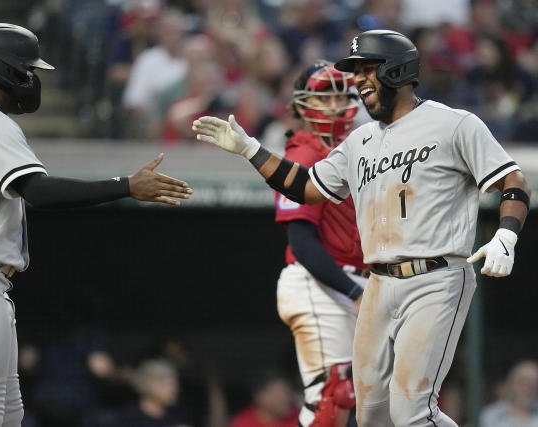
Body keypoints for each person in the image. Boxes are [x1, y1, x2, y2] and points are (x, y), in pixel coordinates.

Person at [192, 29, 530, 427]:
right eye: (356, 72)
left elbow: (512, 181)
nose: (359, 80)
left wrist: (506, 235)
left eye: (368, 69)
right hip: (377, 285)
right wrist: (250, 149)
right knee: (370, 418)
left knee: (412, 414)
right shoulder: (359, 141)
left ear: (398, 71)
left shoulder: (454, 124)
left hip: (435, 277)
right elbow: (305, 187)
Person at [0, 23, 192, 427]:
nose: (32, 79)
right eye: (28, 70)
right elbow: (37, 191)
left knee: (7, 416)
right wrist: (126, 185)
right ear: (6, 69)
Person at [274, 60, 368, 427]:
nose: (332, 106)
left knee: (372, 396)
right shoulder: (303, 154)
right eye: (322, 97)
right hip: (318, 283)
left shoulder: (358, 148)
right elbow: (301, 242)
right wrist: (353, 292)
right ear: (301, 105)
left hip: (358, 282)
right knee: (331, 398)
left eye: (339, 96)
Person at [111, 359, 191, 427]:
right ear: (149, 384)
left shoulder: (178, 416)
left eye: (175, 384)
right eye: (168, 385)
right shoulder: (129, 418)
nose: (174, 390)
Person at [229, 369, 300, 427]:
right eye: (277, 395)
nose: (285, 399)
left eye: (287, 393)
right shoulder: (242, 423)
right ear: (259, 397)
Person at [480, 360, 538, 427]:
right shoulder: (490, 415)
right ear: (511, 384)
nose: (528, 388)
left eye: (534, 384)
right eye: (523, 382)